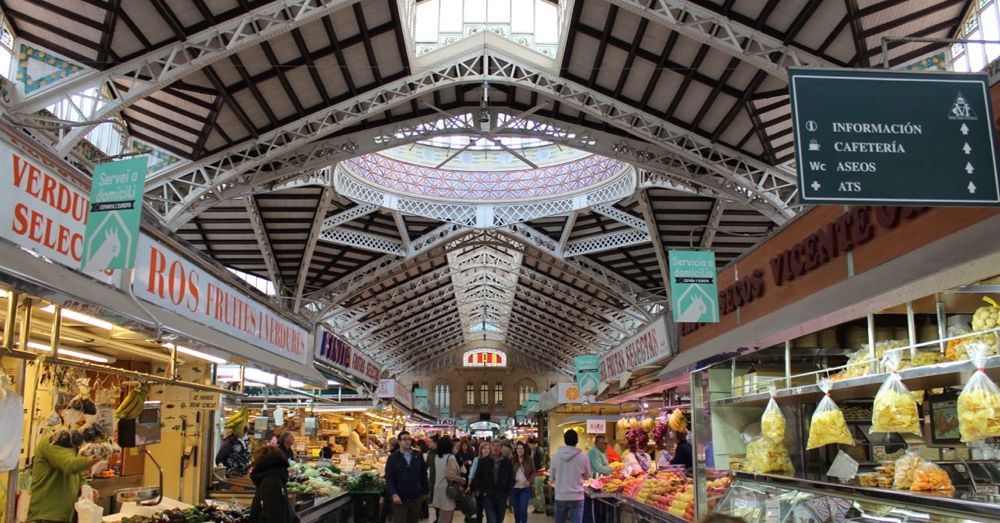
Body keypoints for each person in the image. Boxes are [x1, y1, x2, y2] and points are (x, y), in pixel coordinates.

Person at [27, 430, 102, 523]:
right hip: (45, 516)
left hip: (62, 516)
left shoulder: (72, 445)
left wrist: (86, 488)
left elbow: (78, 474)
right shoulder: (52, 441)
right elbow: (70, 465)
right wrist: (102, 453)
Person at [385, 431, 428, 523]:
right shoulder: (393, 458)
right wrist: (394, 494)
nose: (407, 441)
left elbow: (423, 474)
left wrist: (425, 491)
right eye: (404, 439)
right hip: (400, 497)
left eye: (409, 439)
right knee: (400, 520)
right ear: (399, 442)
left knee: (413, 520)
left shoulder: (418, 455)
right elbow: (389, 477)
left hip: (415, 496)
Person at [248, 445, 298, 523]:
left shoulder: (270, 482)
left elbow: (273, 515)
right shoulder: (275, 478)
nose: (253, 463)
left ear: (262, 461)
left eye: (255, 460)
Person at [551, 429, 590, 523]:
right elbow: (586, 477)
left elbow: (552, 477)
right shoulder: (584, 457)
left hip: (560, 496)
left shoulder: (555, 457)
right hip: (577, 497)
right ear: (577, 441)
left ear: (564, 440)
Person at [473, 441, 515, 523]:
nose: (495, 448)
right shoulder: (483, 462)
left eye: (498, 446)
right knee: (492, 519)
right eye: (493, 446)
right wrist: (483, 491)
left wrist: (507, 492)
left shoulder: (507, 462)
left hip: (502, 495)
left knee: (499, 519)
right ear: (491, 447)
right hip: (488, 495)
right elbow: (478, 478)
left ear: (501, 448)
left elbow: (511, 478)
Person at [429, 435, 463, 523]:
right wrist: (462, 480)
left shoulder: (437, 456)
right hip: (447, 490)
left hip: (438, 488)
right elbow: (450, 475)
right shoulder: (450, 457)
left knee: (443, 515)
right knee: (446, 517)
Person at [510, 441, 536, 523]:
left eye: (521, 449)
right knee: (516, 510)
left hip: (525, 488)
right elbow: (508, 472)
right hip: (514, 488)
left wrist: (529, 481)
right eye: (518, 449)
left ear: (524, 450)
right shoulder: (512, 459)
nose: (519, 450)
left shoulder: (529, 459)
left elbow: (534, 472)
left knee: (523, 508)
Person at [467, 441, 492, 523]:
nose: (486, 450)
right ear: (481, 450)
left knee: (489, 510)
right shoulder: (477, 460)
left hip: (489, 489)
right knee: (479, 509)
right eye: (484, 448)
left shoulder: (492, 460)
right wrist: (469, 485)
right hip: (478, 488)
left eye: (488, 448)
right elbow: (472, 474)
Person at [529, 438, 547, 514]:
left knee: (538, 491)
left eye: (530, 444)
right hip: (538, 473)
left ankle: (540, 508)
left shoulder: (538, 451)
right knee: (537, 491)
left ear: (534, 444)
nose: (530, 446)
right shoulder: (538, 450)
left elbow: (537, 464)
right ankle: (537, 507)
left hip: (539, 473)